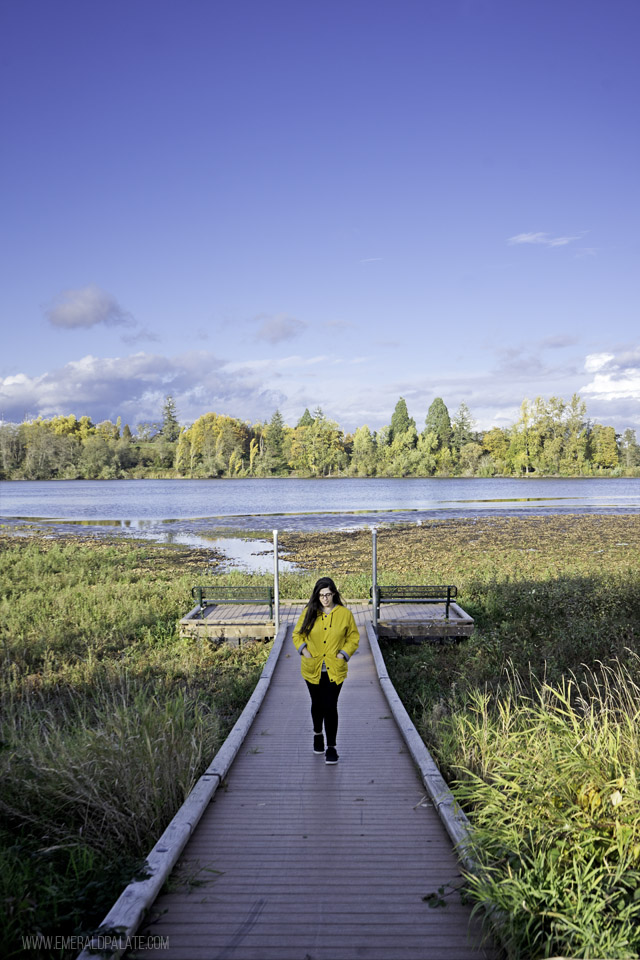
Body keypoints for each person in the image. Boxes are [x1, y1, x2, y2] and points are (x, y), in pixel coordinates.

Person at [292, 576, 360, 764]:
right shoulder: (309, 612)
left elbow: (353, 638)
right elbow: (297, 634)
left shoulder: (345, 614)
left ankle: (331, 747)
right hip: (312, 667)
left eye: (328, 594)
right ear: (317, 595)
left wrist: (343, 655)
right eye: (321, 595)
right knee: (317, 703)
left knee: (330, 706)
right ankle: (317, 734)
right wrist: (304, 651)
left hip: (334, 669)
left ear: (334, 594)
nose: (325, 598)